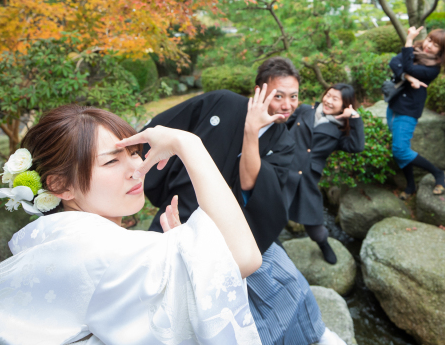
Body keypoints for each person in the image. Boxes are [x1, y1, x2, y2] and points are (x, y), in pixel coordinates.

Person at [0, 105, 262, 345]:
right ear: (61, 186)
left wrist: (181, 260)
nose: (137, 168)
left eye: (134, 152)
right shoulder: (101, 251)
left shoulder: (61, 241)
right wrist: (188, 144)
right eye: (112, 160)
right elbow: (244, 258)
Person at [143, 57, 344, 345]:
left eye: (294, 96)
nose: (288, 104)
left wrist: (251, 131)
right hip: (181, 217)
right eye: (279, 95)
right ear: (259, 91)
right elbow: (166, 127)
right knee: (170, 299)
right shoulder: (221, 102)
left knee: (289, 286)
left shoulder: (283, 141)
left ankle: (314, 335)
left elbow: (252, 183)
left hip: (241, 231)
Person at [285, 83, 365, 264]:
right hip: (282, 170)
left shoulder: (339, 131)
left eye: (335, 99)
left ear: (345, 105)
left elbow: (357, 146)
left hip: (306, 178)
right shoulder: (304, 110)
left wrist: (354, 117)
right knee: (271, 214)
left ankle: (324, 245)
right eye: (328, 95)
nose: (328, 101)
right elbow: (282, 129)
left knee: (314, 224)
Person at [387, 26, 445, 199]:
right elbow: (394, 62)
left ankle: (438, 173)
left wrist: (408, 41)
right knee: (402, 149)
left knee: (400, 150)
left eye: (436, 45)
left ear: (441, 51)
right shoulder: (415, 50)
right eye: (429, 40)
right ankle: (410, 186)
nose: (429, 46)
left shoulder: (433, 68)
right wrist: (408, 78)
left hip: (408, 110)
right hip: (393, 105)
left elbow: (407, 66)